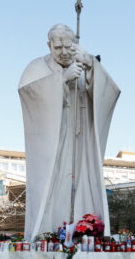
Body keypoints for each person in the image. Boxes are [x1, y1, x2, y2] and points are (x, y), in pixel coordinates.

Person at [19, 23, 120, 241]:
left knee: (85, 177)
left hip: (82, 138)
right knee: (53, 183)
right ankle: (48, 233)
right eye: (58, 47)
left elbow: (110, 93)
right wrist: (62, 80)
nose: (64, 52)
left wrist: (92, 65)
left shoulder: (84, 62)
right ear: (49, 45)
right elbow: (28, 94)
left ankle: (86, 229)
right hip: (53, 140)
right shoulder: (37, 68)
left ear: (76, 43)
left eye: (68, 46)